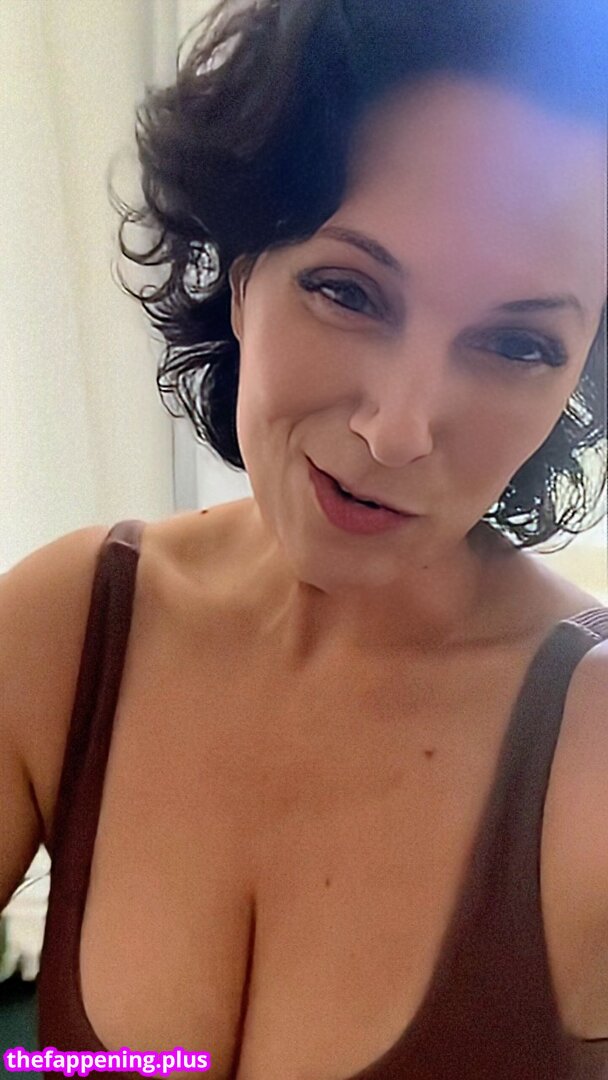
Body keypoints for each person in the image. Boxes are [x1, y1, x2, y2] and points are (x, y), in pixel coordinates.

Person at [1, 0, 607, 1076]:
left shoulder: (587, 753)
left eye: (517, 344)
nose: (399, 429)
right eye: (347, 290)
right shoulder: (67, 629)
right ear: (241, 275)